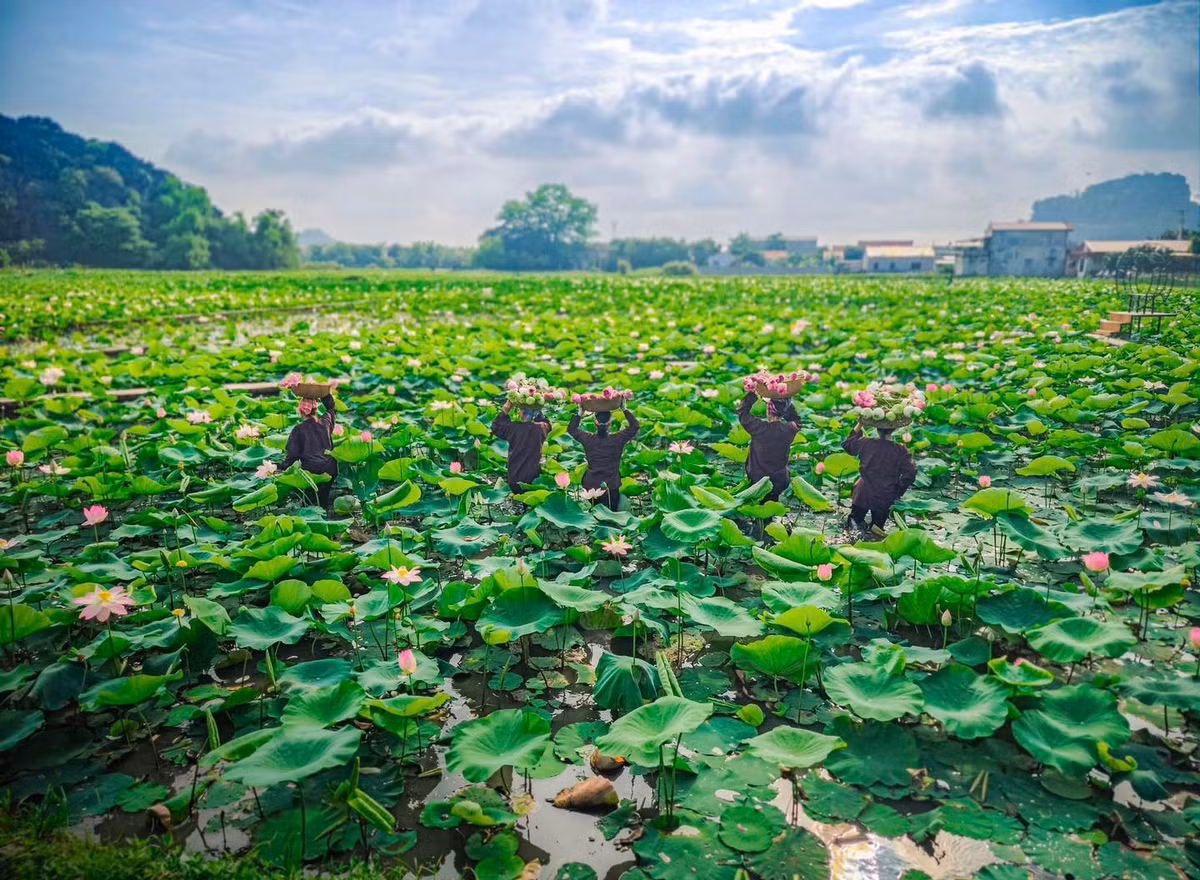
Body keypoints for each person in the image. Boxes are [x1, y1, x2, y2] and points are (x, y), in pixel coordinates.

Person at [841, 419, 917, 536]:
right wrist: (897, 491)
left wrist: (860, 424)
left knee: (854, 524)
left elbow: (847, 445)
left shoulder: (866, 443)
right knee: (877, 530)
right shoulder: (901, 450)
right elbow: (911, 473)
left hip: (863, 493)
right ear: (894, 429)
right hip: (885, 495)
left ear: (876, 428)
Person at [567, 404, 640, 509]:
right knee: (611, 518)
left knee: (593, 517)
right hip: (611, 486)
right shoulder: (617, 439)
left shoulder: (588, 439)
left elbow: (571, 429)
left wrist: (580, 413)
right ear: (610, 423)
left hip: (591, 486)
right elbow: (635, 426)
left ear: (595, 422)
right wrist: (624, 408)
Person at [738, 391, 801, 502]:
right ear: (782, 412)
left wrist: (752, 394)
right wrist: (786, 399)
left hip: (758, 481)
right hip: (780, 480)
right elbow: (797, 421)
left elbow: (743, 414)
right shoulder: (789, 429)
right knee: (772, 507)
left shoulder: (759, 428)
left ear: (768, 411)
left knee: (760, 510)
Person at [281, 391, 337, 511]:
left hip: (311, 471)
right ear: (316, 409)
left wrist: (279, 468)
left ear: (300, 411)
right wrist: (324, 393)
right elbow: (331, 408)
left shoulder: (298, 430)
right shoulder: (326, 421)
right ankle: (325, 511)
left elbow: (292, 456)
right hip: (330, 469)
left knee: (310, 504)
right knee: (323, 501)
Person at [491, 400, 552, 494]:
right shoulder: (542, 428)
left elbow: (496, 427)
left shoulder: (513, 428)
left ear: (522, 413)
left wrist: (505, 410)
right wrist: (537, 408)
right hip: (534, 476)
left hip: (515, 476)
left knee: (517, 500)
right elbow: (547, 423)